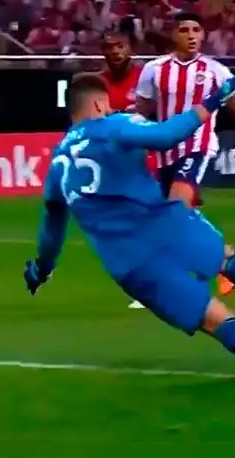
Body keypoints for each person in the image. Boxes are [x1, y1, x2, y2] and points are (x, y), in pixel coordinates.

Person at [23, 73, 235, 382]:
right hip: (166, 226)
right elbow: (167, 135)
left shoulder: (57, 165)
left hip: (129, 263)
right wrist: (216, 99)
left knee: (211, 317)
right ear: (99, 103)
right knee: (226, 259)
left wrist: (42, 268)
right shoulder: (114, 125)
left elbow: (52, 227)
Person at [136, 13, 235, 309]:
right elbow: (143, 111)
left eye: (196, 30)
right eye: (184, 30)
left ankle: (175, 283)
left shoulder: (216, 71)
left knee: (176, 208)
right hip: (164, 152)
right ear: (174, 35)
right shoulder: (153, 70)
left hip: (198, 148)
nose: (191, 35)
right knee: (173, 216)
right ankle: (228, 266)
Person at [99, 32, 156, 310]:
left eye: (119, 46)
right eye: (109, 48)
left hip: (150, 162)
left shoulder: (147, 77)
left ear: (129, 49)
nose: (115, 52)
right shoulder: (97, 84)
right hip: (117, 167)